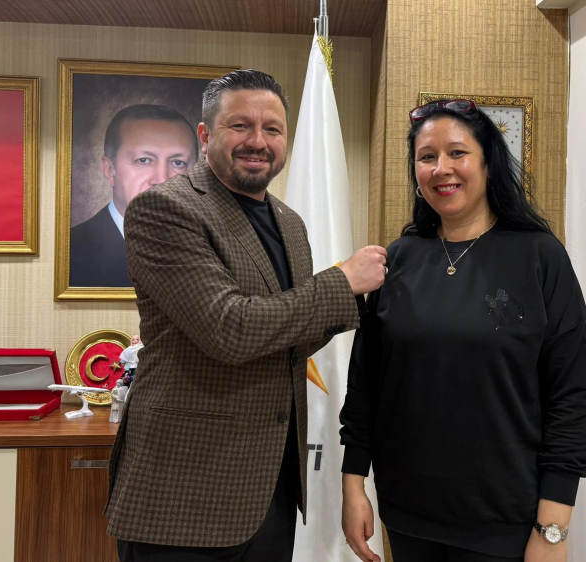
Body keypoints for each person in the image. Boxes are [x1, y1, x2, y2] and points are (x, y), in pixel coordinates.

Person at [105, 70, 388, 562]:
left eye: (272, 129)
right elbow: (229, 329)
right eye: (240, 125)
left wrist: (359, 302)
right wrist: (342, 283)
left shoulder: (290, 224)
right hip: (182, 495)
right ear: (205, 134)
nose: (258, 141)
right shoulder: (163, 209)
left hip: (269, 488)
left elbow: (287, 339)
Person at [339, 99, 586, 562]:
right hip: (407, 513)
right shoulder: (398, 260)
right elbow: (366, 384)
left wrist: (552, 529)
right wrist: (353, 484)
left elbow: (570, 398)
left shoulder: (539, 256)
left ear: (488, 164)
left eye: (457, 153)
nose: (442, 168)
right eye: (427, 156)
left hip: (506, 521)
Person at [69, 104, 200, 288]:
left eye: (178, 163)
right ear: (109, 170)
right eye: (143, 160)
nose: (162, 180)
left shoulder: (217, 250)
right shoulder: (67, 253)